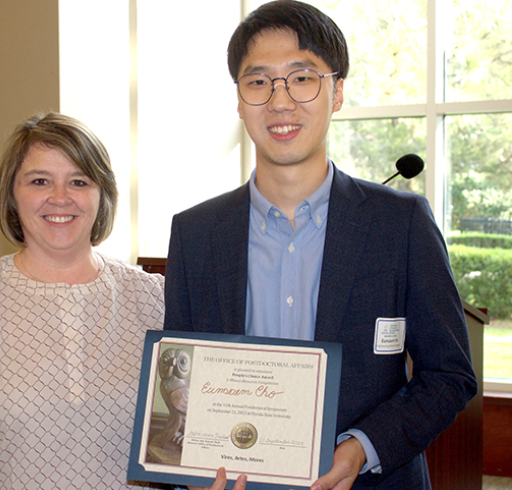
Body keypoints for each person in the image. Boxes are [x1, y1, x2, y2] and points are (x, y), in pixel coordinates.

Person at [164, 1, 478, 489]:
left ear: (336, 93)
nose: (280, 101)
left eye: (302, 77)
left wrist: (361, 449)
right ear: (240, 100)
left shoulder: (401, 224)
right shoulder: (195, 233)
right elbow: (180, 382)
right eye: (259, 81)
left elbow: (449, 375)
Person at [0, 112, 245, 490]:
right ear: (11, 193)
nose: (60, 197)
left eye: (79, 181)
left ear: (101, 194)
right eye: (40, 181)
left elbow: (193, 435)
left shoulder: (154, 299)